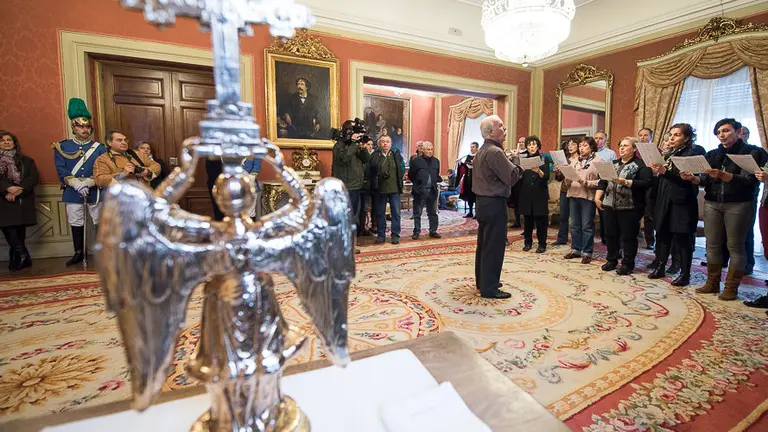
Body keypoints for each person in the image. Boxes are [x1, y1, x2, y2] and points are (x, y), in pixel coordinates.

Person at [690, 119, 767, 300]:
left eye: (725, 131)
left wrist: (727, 176)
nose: (721, 135)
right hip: (712, 203)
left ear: (738, 131)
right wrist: (695, 179)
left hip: (739, 204)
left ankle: (731, 287)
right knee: (713, 244)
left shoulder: (753, 152)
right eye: (718, 132)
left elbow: (752, 181)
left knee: (735, 246)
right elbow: (707, 180)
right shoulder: (713, 154)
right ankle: (712, 283)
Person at [648, 124, 706, 287]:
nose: (671, 138)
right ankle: (660, 267)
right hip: (664, 199)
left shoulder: (693, 153)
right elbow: (662, 178)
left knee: (682, 239)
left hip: (682, 202)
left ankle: (685, 274)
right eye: (671, 134)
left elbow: (686, 180)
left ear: (687, 138)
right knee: (663, 235)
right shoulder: (667, 154)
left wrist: (665, 172)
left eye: (677, 135)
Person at [52, 98, 107, 266]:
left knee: (99, 221)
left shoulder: (100, 148)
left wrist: (90, 182)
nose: (85, 129)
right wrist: (75, 183)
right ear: (73, 127)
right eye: (81, 126)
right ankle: (78, 252)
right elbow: (61, 169)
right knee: (76, 222)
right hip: (72, 191)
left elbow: (103, 169)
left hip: (95, 190)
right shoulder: (62, 147)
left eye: (87, 127)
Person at [473, 115, 522, 299]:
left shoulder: (482, 151)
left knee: (484, 244)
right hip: (494, 203)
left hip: (483, 203)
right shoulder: (495, 152)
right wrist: (516, 160)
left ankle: (483, 281)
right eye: (501, 126)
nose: (505, 128)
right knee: (494, 246)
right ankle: (490, 288)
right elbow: (512, 178)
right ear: (491, 132)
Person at [595, 137, 652, 275]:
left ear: (634, 149)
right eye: (620, 145)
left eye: (626, 146)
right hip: (609, 205)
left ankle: (627, 264)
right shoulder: (612, 163)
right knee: (611, 234)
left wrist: (626, 182)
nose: (622, 148)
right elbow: (603, 181)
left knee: (628, 236)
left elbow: (646, 183)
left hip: (630, 207)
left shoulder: (641, 165)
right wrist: (597, 197)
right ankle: (611, 260)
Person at [0, 131, 39, 271]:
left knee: (19, 229)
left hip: (22, 199)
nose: (6, 142)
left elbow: (33, 177)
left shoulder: (26, 160)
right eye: (2, 140)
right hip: (3, 201)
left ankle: (16, 259)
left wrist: (18, 189)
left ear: (14, 142)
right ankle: (23, 256)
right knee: (9, 228)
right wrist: (7, 189)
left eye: (9, 140)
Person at [564, 137, 602, 264]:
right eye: (580, 146)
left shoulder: (598, 161)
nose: (581, 148)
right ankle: (576, 249)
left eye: (585, 146)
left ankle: (587, 252)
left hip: (587, 196)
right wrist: (567, 179)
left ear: (592, 147)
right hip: (573, 194)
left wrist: (586, 182)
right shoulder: (574, 161)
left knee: (586, 225)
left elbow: (602, 181)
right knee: (574, 225)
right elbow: (567, 180)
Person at [332, 118, 370, 243]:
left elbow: (366, 159)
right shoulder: (339, 146)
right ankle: (344, 244)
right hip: (346, 186)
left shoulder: (354, 146)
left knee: (354, 216)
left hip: (356, 186)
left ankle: (350, 242)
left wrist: (362, 147)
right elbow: (344, 159)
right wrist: (353, 143)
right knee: (346, 216)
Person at [369, 135, 405, 244]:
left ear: (391, 144)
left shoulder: (396, 155)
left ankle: (395, 234)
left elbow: (402, 169)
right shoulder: (375, 156)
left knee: (396, 213)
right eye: (383, 142)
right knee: (380, 213)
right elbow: (370, 170)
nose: (385, 144)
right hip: (380, 188)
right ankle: (381, 235)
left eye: (387, 142)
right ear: (379, 144)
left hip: (394, 188)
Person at [516, 136, 550, 253]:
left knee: (541, 222)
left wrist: (539, 171)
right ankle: (528, 242)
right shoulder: (523, 159)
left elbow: (546, 177)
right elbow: (520, 177)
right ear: (527, 147)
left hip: (540, 194)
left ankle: (542, 244)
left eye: (534, 145)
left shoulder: (543, 159)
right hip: (526, 194)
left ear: (538, 146)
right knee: (528, 221)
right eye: (529, 145)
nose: (531, 147)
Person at [94, 130, 160, 188]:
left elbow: (157, 166)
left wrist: (146, 171)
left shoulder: (137, 154)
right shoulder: (102, 159)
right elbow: (99, 180)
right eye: (119, 140)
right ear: (109, 142)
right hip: (123, 198)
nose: (124, 142)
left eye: (125, 140)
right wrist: (122, 174)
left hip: (145, 194)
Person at [409, 141, 441, 239]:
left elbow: (436, 174)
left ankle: (433, 230)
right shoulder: (416, 161)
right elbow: (411, 175)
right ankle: (416, 231)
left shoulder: (436, 161)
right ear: (423, 150)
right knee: (417, 213)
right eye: (428, 149)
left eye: (431, 149)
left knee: (433, 213)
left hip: (432, 190)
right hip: (420, 191)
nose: (430, 151)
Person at [554, 138, 580, 245]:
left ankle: (577, 241)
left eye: (573, 144)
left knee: (575, 218)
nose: (570, 146)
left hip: (577, 190)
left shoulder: (582, 160)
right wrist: (557, 172)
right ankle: (562, 238)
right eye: (569, 144)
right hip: (565, 190)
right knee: (563, 216)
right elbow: (559, 178)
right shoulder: (565, 160)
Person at [638, 127, 656, 249]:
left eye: (645, 135)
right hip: (637, 185)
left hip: (651, 186)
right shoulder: (635, 151)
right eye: (641, 135)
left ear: (651, 137)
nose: (643, 137)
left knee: (649, 215)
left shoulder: (657, 151)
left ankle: (650, 241)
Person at [508, 136, 528, 228]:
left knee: (524, 202)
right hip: (516, 181)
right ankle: (517, 221)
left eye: (523, 142)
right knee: (516, 201)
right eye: (519, 142)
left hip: (525, 181)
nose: (521, 143)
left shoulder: (528, 153)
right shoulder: (514, 154)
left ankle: (527, 223)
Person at [457, 142, 478, 218]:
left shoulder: (478, 156)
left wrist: (473, 165)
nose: (471, 148)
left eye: (473, 147)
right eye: (471, 147)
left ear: (477, 148)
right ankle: (470, 212)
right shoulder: (468, 156)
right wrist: (460, 163)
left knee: (475, 197)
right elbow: (465, 166)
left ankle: (477, 213)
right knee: (469, 196)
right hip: (468, 180)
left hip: (475, 180)